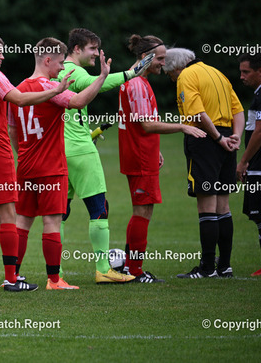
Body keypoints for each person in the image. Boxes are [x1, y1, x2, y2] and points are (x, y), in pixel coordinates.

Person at [0, 32, 72, 291]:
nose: (2, 56)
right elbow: (20, 100)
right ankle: (11, 278)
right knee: (7, 214)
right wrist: (56, 90)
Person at [10, 37, 109, 290]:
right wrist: (101, 78)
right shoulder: (50, 87)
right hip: (51, 167)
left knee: (22, 222)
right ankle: (54, 280)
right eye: (60, 63)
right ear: (47, 60)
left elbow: (12, 129)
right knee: (52, 222)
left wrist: (23, 153)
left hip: (26, 165)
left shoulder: (18, 90)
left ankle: (12, 277)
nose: (63, 68)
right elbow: (78, 102)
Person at [54, 28, 152, 284]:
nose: (97, 53)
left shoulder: (56, 72)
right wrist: (131, 73)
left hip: (60, 151)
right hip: (81, 151)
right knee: (99, 209)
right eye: (92, 49)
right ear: (76, 49)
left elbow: (69, 112)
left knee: (59, 214)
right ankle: (103, 269)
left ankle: (56, 274)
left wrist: (88, 131)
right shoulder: (75, 72)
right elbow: (96, 84)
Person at [118, 35, 206, 283]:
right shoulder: (137, 83)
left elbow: (138, 123)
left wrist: (154, 148)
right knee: (142, 211)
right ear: (144, 57)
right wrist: (182, 126)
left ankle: (130, 267)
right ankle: (134, 271)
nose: (163, 64)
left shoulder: (137, 80)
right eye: (160, 59)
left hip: (141, 153)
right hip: (139, 156)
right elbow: (146, 124)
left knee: (142, 210)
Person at [162, 48, 244, 279]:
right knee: (223, 207)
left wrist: (217, 138)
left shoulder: (186, 76)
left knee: (207, 206)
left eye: (169, 73)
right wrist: (235, 137)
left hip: (205, 139)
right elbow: (238, 110)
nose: (171, 78)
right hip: (227, 139)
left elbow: (197, 113)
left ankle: (207, 268)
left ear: (176, 67)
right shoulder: (217, 73)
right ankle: (224, 266)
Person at [236, 53, 261, 276]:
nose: (242, 76)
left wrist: (244, 161)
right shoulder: (257, 95)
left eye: (246, 72)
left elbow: (259, 132)